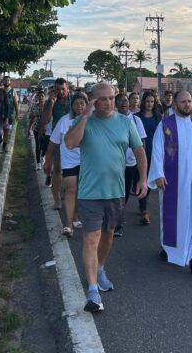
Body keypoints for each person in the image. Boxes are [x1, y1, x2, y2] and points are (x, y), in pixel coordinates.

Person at [64, 82, 148, 313]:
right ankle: (92, 290)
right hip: (90, 192)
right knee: (91, 239)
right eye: (103, 99)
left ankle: (100, 268)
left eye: (112, 97)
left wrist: (143, 179)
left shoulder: (125, 122)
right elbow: (70, 143)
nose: (110, 102)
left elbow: (139, 151)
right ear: (93, 100)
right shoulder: (83, 121)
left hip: (116, 192)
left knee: (108, 236)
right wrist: (85, 116)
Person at [149, 90, 192, 274]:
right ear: (174, 104)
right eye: (183, 102)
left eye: (189, 101)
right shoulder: (165, 125)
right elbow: (157, 152)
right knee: (173, 215)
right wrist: (158, 173)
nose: (188, 105)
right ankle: (169, 248)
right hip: (173, 181)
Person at [46, 92, 88, 236]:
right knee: (71, 189)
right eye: (76, 103)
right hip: (69, 162)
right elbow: (53, 142)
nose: (80, 106)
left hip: (86, 162)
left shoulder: (91, 121)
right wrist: (47, 160)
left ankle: (75, 216)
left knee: (80, 192)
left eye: (82, 103)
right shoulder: (64, 121)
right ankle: (68, 225)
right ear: (72, 106)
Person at [114, 93, 147, 237]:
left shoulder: (136, 119)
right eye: (120, 100)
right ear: (115, 104)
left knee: (125, 192)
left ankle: (118, 218)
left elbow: (142, 143)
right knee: (115, 191)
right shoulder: (111, 119)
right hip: (114, 163)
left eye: (126, 100)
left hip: (131, 163)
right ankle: (115, 220)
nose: (124, 103)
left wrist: (142, 165)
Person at [39, 78, 71, 188]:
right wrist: (51, 103)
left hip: (73, 137)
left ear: (67, 88)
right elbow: (45, 121)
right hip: (57, 137)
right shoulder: (50, 101)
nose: (61, 92)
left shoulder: (74, 100)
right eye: (58, 89)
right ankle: (57, 197)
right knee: (57, 167)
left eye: (63, 89)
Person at [136, 91, 161, 225]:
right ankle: (143, 208)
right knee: (140, 179)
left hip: (153, 153)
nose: (150, 104)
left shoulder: (158, 117)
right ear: (143, 102)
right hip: (138, 154)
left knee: (148, 180)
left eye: (152, 101)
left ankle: (143, 206)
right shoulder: (136, 117)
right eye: (147, 101)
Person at [28, 90, 45, 170]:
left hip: (46, 129)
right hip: (36, 128)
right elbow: (31, 118)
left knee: (44, 145)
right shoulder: (34, 107)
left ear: (45, 97)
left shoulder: (47, 106)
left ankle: (43, 155)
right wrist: (29, 129)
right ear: (37, 97)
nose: (41, 98)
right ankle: (38, 163)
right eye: (40, 96)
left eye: (42, 96)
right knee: (37, 145)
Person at [2, 76, 19, 151]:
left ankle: (4, 146)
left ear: (10, 82)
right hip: (0, 115)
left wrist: (17, 114)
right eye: (5, 80)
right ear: (3, 81)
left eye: (8, 80)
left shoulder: (13, 91)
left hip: (10, 115)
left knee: (6, 131)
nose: (6, 82)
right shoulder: (0, 90)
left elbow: (16, 103)